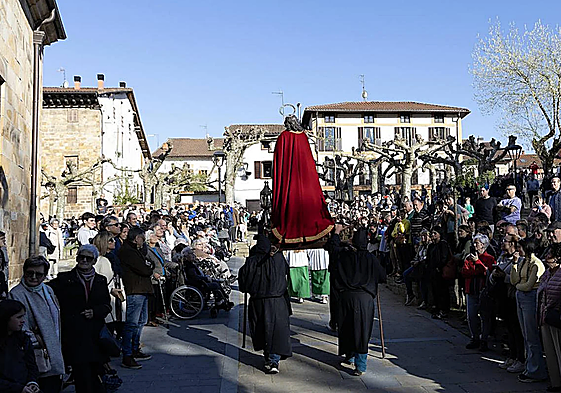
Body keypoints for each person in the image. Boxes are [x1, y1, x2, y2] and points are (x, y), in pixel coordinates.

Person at [47, 245, 111, 393]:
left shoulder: (101, 280)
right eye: (81, 257)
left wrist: (95, 312)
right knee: (82, 373)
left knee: (94, 372)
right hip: (74, 333)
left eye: (88, 258)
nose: (84, 260)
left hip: (95, 334)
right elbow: (47, 289)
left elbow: (106, 306)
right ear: (77, 258)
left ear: (94, 261)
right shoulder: (65, 279)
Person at [324, 225, 386, 376]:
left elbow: (332, 248)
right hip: (365, 299)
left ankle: (350, 356)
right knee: (362, 329)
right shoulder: (371, 259)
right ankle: (360, 364)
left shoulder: (344, 256)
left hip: (346, 297)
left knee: (347, 327)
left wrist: (336, 233)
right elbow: (382, 277)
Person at [9, 256, 65, 393]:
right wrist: (39, 340)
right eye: (30, 273)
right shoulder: (16, 294)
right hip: (36, 360)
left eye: (39, 274)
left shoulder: (48, 290)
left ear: (45, 275)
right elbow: (20, 329)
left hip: (54, 356)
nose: (33, 277)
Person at [238, 234, 292, 374]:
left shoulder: (252, 261)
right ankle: (273, 359)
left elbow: (244, 284)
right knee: (275, 331)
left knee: (264, 330)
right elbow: (286, 273)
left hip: (259, 301)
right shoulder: (279, 258)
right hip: (276, 301)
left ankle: (270, 358)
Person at [511, 238, 548, 382]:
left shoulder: (536, 264)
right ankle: (530, 366)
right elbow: (515, 280)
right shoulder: (522, 261)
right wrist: (514, 264)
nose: (517, 250)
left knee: (531, 335)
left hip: (530, 297)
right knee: (525, 334)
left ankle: (537, 370)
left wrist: (518, 287)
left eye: (520, 247)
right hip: (521, 296)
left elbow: (528, 285)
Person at [118, 226, 154, 369]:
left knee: (141, 321)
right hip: (135, 289)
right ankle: (127, 354)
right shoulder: (128, 252)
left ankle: (134, 348)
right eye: (142, 239)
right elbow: (144, 269)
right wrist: (148, 267)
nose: (143, 241)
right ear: (136, 238)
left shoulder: (136, 251)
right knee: (132, 323)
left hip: (142, 288)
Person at [462, 234, 495, 351]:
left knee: (485, 317)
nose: (475, 245)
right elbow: (465, 272)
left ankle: (484, 339)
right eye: (474, 242)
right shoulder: (468, 258)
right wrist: (478, 270)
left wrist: (478, 264)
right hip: (471, 290)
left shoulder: (489, 258)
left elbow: (488, 273)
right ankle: (474, 337)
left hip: (483, 290)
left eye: (477, 243)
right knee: (471, 316)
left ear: (483, 244)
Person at [0, 299, 40, 393]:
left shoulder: (23, 339)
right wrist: (17, 389)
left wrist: (32, 382)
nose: (22, 321)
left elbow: (31, 365)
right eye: (19, 317)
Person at [538, 247, 561, 392]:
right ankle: (556, 383)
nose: (547, 257)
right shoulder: (547, 273)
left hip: (557, 318)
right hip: (545, 316)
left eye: (550, 254)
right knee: (550, 352)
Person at [427, 226, 452, 319]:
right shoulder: (432, 245)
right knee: (435, 291)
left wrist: (439, 267)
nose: (433, 235)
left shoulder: (443, 244)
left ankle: (444, 310)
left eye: (435, 233)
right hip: (433, 271)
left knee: (442, 291)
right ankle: (436, 308)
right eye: (432, 233)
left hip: (441, 272)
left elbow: (444, 257)